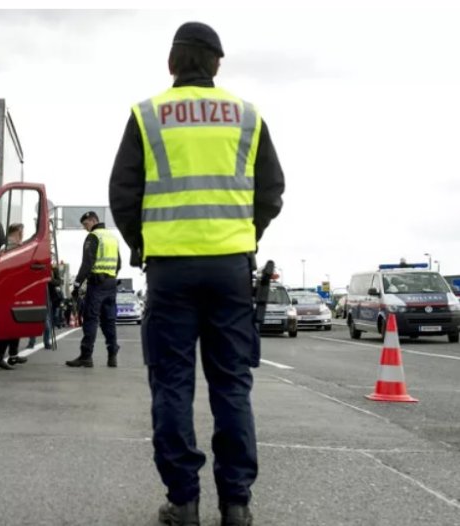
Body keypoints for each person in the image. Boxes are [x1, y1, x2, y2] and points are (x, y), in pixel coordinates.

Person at [108, 22, 285, 526]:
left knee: (172, 385)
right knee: (232, 385)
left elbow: (123, 193)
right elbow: (270, 190)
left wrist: (144, 244)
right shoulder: (246, 116)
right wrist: (244, 237)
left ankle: (183, 501)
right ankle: (236, 504)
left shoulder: (147, 115)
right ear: (216, 64)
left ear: (172, 63)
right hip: (231, 269)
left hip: (169, 271)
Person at [65, 211, 122, 368]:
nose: (85, 228)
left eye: (86, 224)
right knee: (109, 321)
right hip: (111, 284)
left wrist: (76, 285)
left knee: (90, 319)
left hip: (97, 285)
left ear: (93, 220)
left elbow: (87, 264)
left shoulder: (94, 236)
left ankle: (86, 356)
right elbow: (119, 264)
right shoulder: (112, 237)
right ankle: (112, 356)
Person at [0, 224, 29, 369]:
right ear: (19, 232)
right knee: (9, 323)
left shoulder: (7, 247)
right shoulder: (11, 248)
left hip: (11, 290)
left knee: (16, 322)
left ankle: (13, 355)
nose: (24, 235)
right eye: (22, 232)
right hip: (10, 291)